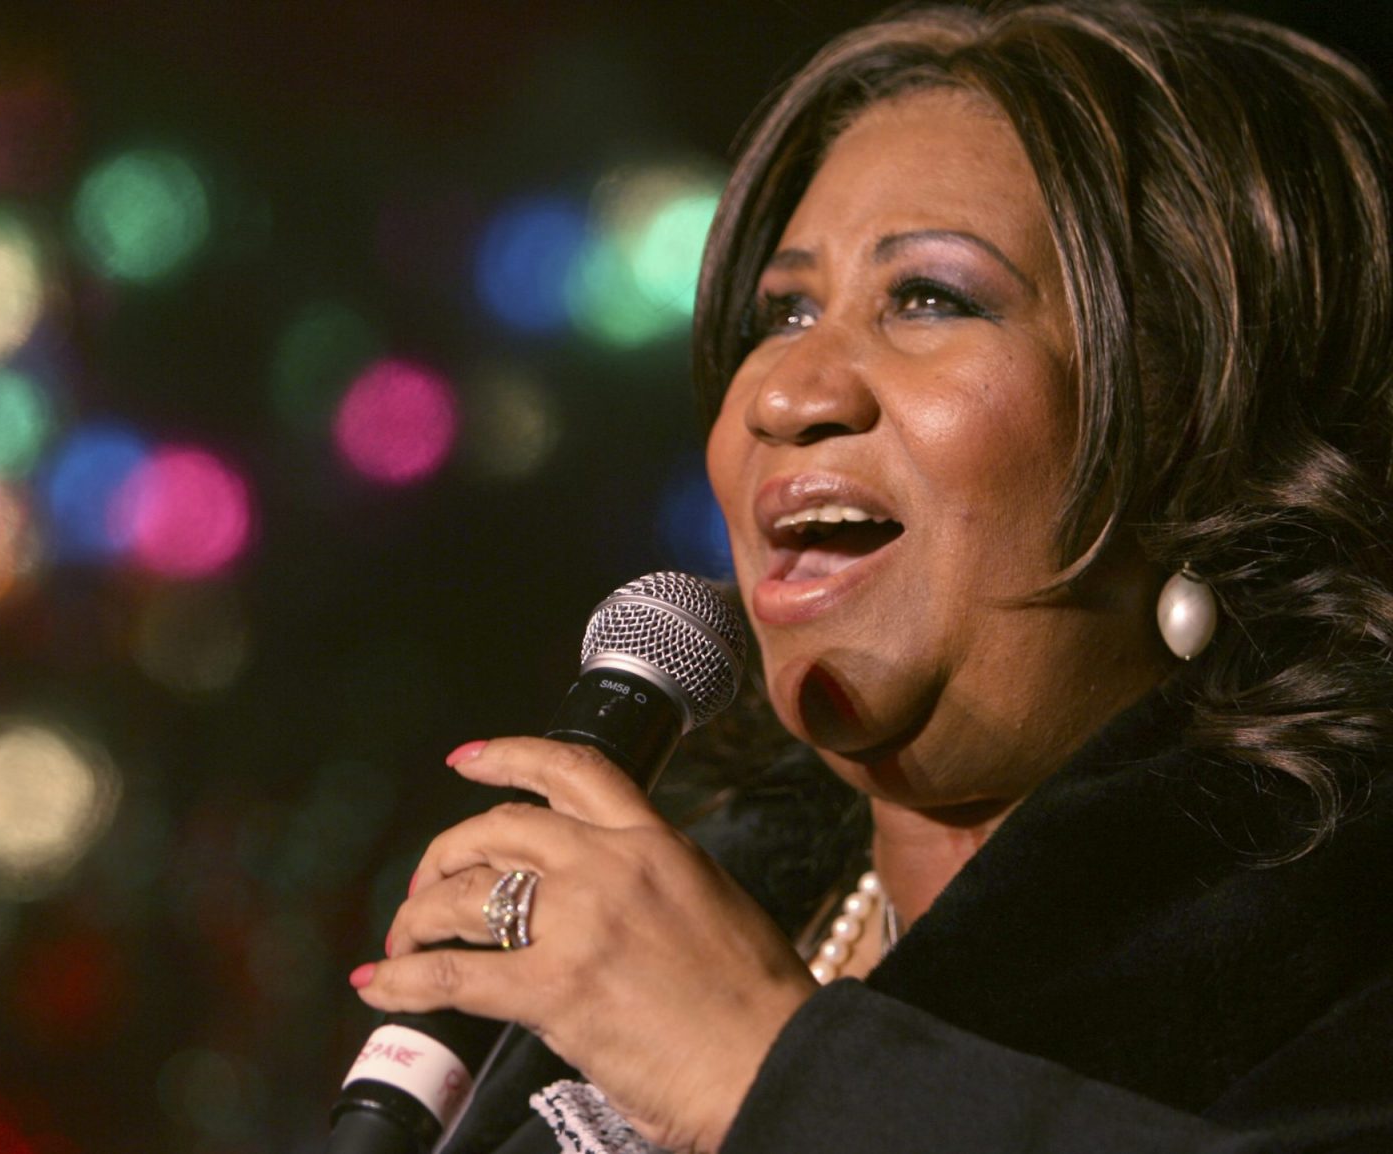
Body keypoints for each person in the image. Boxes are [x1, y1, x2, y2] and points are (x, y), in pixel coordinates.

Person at [347, 1, 1393, 1150]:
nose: (783, 392)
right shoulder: (676, 924)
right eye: (783, 309)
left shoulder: (1337, 962)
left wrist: (763, 1073)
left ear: (1205, 427)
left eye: (929, 297)